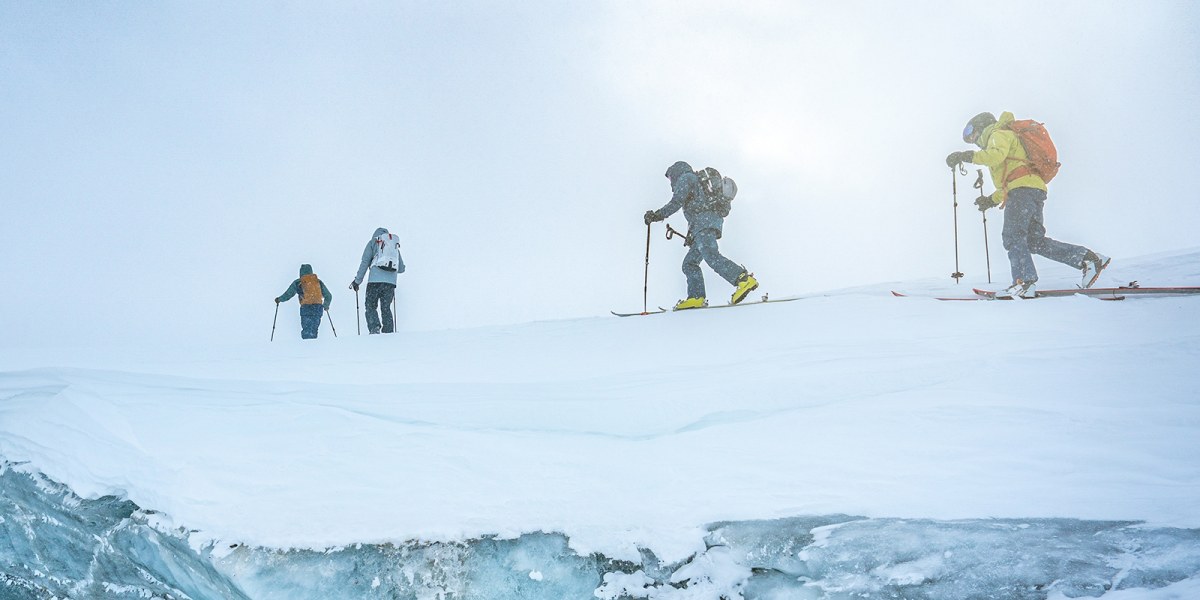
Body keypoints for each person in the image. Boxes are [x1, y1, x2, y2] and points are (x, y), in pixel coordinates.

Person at [946, 112, 1109, 298]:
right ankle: (1087, 259)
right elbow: (1013, 180)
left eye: (971, 133)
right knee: (1034, 241)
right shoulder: (1005, 137)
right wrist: (990, 200)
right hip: (1032, 190)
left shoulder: (998, 134)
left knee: (1013, 236)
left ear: (982, 126)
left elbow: (995, 156)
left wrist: (966, 156)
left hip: (1022, 191)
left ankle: (1023, 282)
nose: (973, 140)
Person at [644, 161, 758, 309]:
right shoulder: (696, 182)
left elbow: (677, 202)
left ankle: (743, 279)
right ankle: (696, 297)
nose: (671, 182)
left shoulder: (686, 178)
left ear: (676, 172)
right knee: (689, 264)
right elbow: (696, 208)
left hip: (704, 223)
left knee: (711, 255)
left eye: (671, 178)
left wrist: (657, 215)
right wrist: (692, 235)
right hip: (703, 224)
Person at [350, 227, 405, 334]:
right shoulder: (393, 246)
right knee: (386, 307)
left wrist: (357, 281)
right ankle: (388, 331)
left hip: (374, 281)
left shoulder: (373, 242)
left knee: (370, 306)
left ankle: (374, 328)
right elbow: (401, 268)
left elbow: (364, 262)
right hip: (390, 283)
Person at [275, 264, 333, 339]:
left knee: (306, 330)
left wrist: (279, 299)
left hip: (306, 308)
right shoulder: (317, 281)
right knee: (314, 330)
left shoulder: (298, 282)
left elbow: (288, 294)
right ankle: (313, 346)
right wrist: (326, 305)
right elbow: (328, 295)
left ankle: (306, 348)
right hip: (318, 308)